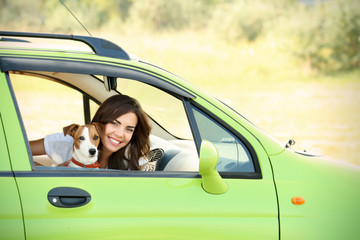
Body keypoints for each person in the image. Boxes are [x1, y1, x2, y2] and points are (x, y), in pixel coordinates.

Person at [30, 94, 152, 170]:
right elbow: (13, 152)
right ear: (101, 121)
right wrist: (52, 172)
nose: (120, 134)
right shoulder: (67, 141)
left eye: (129, 129)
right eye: (114, 123)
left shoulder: (132, 158)